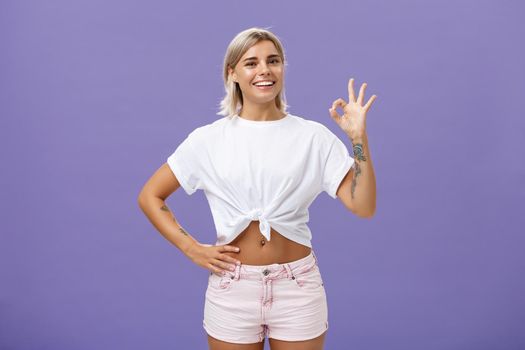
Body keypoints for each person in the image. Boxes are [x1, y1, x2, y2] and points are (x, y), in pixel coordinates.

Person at [138, 27, 377, 350]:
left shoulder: (312, 137)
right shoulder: (208, 139)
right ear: (232, 73)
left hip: (298, 286)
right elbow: (150, 195)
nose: (264, 70)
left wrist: (358, 139)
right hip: (233, 289)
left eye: (273, 60)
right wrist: (191, 248)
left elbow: (362, 206)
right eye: (251, 63)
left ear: (282, 69)